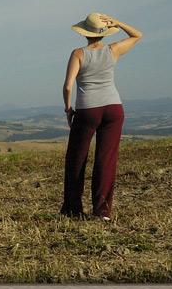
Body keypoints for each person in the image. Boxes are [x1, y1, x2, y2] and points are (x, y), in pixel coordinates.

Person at [60, 12, 142, 222]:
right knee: (106, 161)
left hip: (88, 110)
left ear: (85, 33)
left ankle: (73, 210)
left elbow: (68, 86)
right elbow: (137, 35)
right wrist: (118, 22)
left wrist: (68, 109)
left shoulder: (78, 53)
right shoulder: (112, 50)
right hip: (114, 109)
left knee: (76, 160)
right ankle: (102, 213)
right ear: (104, 33)